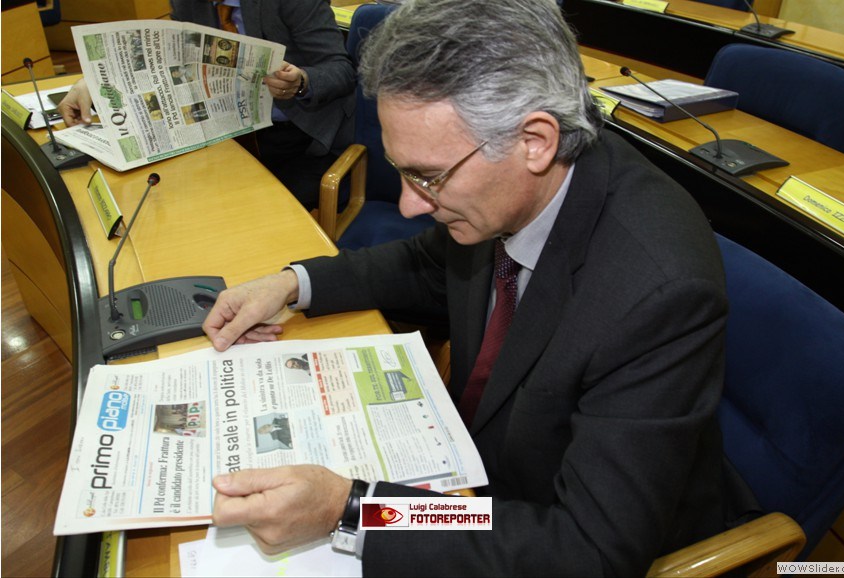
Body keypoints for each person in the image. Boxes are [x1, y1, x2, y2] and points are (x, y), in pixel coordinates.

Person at [202, 0, 755, 575]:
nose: (411, 205)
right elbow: (427, 263)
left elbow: (586, 549)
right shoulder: (510, 185)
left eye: (428, 177)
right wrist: (291, 283)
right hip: (471, 468)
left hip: (538, 525)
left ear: (535, 141)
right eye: (403, 171)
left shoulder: (658, 296)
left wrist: (355, 511)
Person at [57, 0, 355, 210]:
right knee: (174, 200)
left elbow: (341, 69)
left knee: (251, 213)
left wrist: (301, 81)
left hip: (301, 137)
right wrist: (92, 84)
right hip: (230, 130)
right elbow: (167, 60)